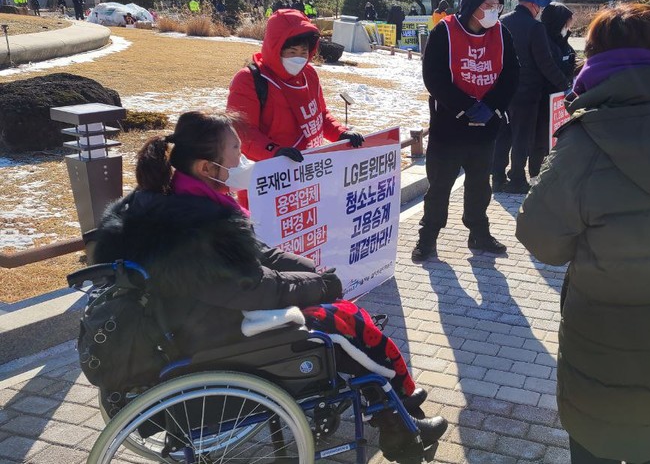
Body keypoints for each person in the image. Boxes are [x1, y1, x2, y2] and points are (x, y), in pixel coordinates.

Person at [92, 111, 448, 460]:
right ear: (207, 167)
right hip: (217, 331)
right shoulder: (193, 228)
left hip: (199, 319)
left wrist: (312, 271)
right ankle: (401, 424)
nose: (244, 159)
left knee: (344, 318)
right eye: (236, 150)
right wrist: (320, 286)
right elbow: (253, 288)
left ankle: (399, 414)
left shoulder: (180, 202)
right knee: (348, 323)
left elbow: (258, 255)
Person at [516, 2, 650, 464]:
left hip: (604, 339)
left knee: (596, 445)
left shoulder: (586, 138)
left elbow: (541, 239)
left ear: (595, 58)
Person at [413, 0, 519, 262]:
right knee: (440, 185)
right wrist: (465, 105)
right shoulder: (444, 31)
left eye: (497, 5)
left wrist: (492, 106)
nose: (494, 10)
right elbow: (433, 76)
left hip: (485, 126)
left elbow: (512, 73)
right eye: (488, 4)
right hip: (450, 125)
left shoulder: (501, 32)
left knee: (479, 183)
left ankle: (478, 232)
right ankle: (428, 236)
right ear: (472, 5)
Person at [227, 8, 364, 169]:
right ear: (275, 48)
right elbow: (242, 132)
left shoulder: (309, 74)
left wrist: (340, 133)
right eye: (292, 52)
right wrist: (274, 152)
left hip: (307, 170)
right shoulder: (249, 80)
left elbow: (320, 115)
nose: (298, 59)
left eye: (303, 52)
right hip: (268, 175)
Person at [492, 0, 569, 194]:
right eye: (540, 6)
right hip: (527, 93)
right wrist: (565, 85)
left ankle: (497, 179)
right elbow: (546, 63)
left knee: (502, 135)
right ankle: (517, 179)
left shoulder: (501, 22)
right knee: (521, 138)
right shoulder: (535, 28)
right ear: (534, 5)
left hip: (501, 91)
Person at [534, 1, 577, 171]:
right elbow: (548, 68)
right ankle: (536, 171)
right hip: (544, 99)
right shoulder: (544, 43)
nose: (569, 25)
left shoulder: (564, 42)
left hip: (560, 100)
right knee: (541, 139)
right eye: (568, 21)